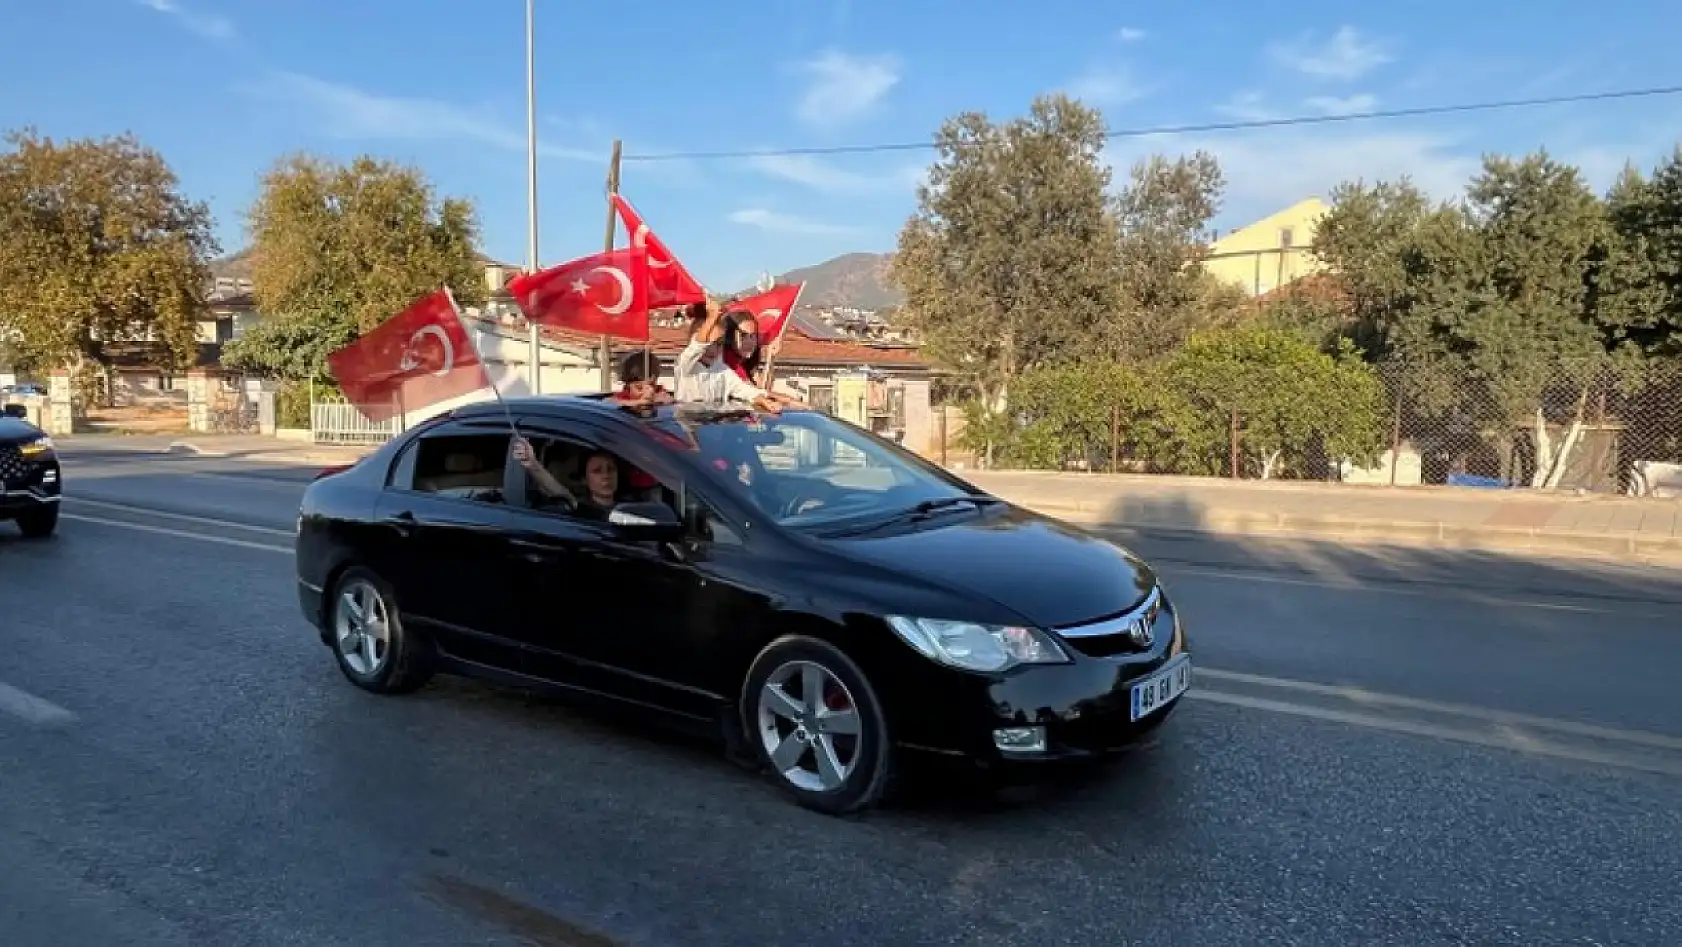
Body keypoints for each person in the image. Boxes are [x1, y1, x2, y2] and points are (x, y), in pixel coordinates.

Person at [673, 300, 784, 411]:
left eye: (719, 344)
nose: (713, 350)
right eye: (710, 344)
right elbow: (697, 346)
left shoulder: (722, 369)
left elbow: (745, 390)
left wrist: (763, 400)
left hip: (713, 425)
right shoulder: (685, 365)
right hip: (686, 425)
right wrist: (711, 318)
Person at [511, 437, 620, 519]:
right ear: (584, 479)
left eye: (610, 469)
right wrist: (532, 463)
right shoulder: (580, 508)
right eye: (597, 471)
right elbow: (558, 491)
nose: (606, 476)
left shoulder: (630, 503)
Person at [720, 311, 801, 409]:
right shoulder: (727, 361)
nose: (749, 342)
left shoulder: (746, 362)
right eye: (743, 336)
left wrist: (771, 357)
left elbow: (763, 387)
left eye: (752, 336)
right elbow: (754, 391)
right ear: (729, 337)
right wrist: (790, 400)